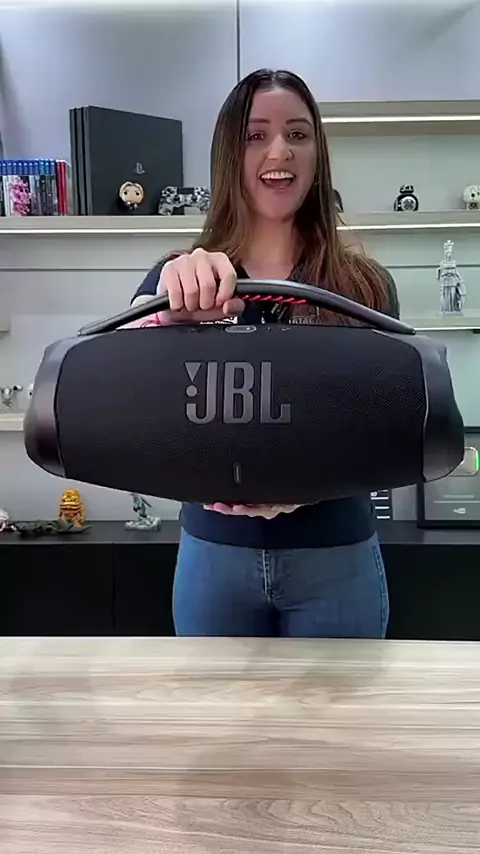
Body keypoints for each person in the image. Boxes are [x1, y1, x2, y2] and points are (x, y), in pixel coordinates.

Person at [129, 68, 400, 639]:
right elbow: (124, 402)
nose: (280, 151)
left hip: (337, 560)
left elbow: (391, 428)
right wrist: (160, 312)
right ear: (230, 154)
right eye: (256, 135)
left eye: (298, 134)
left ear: (318, 154)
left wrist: (306, 486)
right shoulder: (179, 281)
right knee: (215, 703)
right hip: (213, 561)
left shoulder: (365, 287)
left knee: (339, 704)